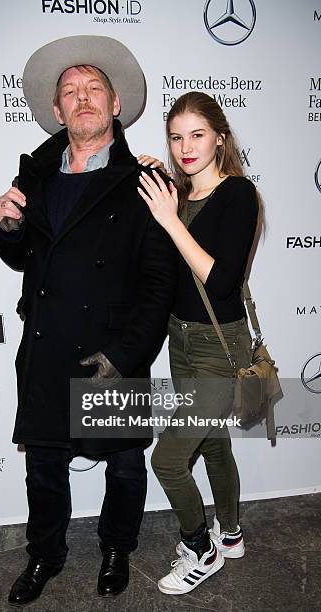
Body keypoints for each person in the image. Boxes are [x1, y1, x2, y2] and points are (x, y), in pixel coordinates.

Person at [0, 35, 176, 606]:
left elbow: (159, 284)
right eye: (70, 92)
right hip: (49, 349)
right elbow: (22, 256)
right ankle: (44, 554)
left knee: (123, 464)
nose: (83, 98)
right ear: (56, 111)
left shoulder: (147, 182)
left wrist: (126, 356)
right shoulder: (35, 178)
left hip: (112, 353)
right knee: (44, 466)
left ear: (115, 103)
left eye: (93, 87)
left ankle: (117, 548)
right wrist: (8, 228)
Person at [137, 91, 260, 595]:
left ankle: (201, 548)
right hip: (179, 337)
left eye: (197, 134)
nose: (185, 147)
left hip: (217, 344)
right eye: (175, 136)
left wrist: (170, 219)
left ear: (219, 138)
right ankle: (229, 535)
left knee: (166, 459)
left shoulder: (239, 194)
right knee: (212, 443)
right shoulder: (175, 194)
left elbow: (221, 280)